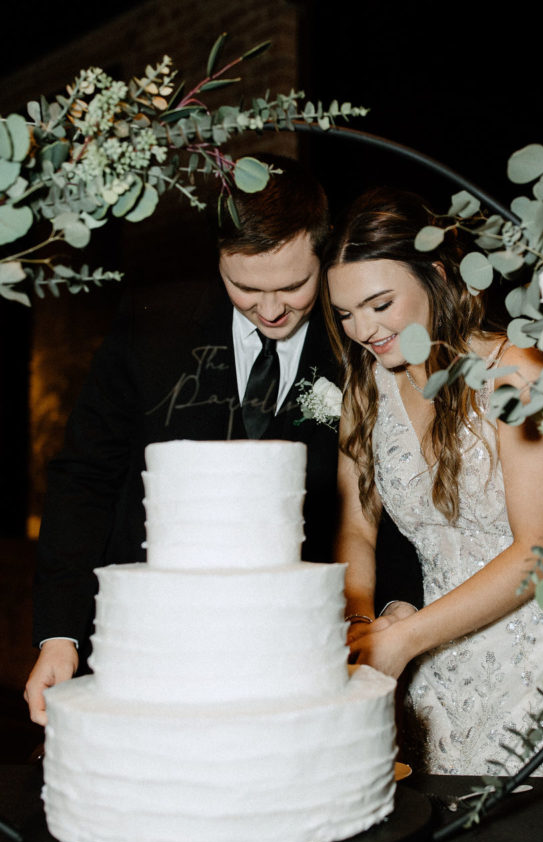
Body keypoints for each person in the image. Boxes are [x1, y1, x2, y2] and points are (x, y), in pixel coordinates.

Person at [22, 154, 417, 727]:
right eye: (245, 287)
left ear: (323, 256)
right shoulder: (150, 324)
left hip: (306, 655)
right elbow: (85, 476)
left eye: (294, 285)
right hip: (155, 647)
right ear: (219, 260)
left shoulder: (360, 342)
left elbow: (394, 497)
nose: (272, 309)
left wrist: (386, 615)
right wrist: (58, 632)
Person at [321, 187, 543, 775]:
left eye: (380, 304)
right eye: (345, 313)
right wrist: (361, 622)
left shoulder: (515, 373)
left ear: (435, 274)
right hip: (431, 657)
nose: (362, 329)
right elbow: (357, 528)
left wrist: (404, 641)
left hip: (540, 658)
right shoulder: (366, 392)